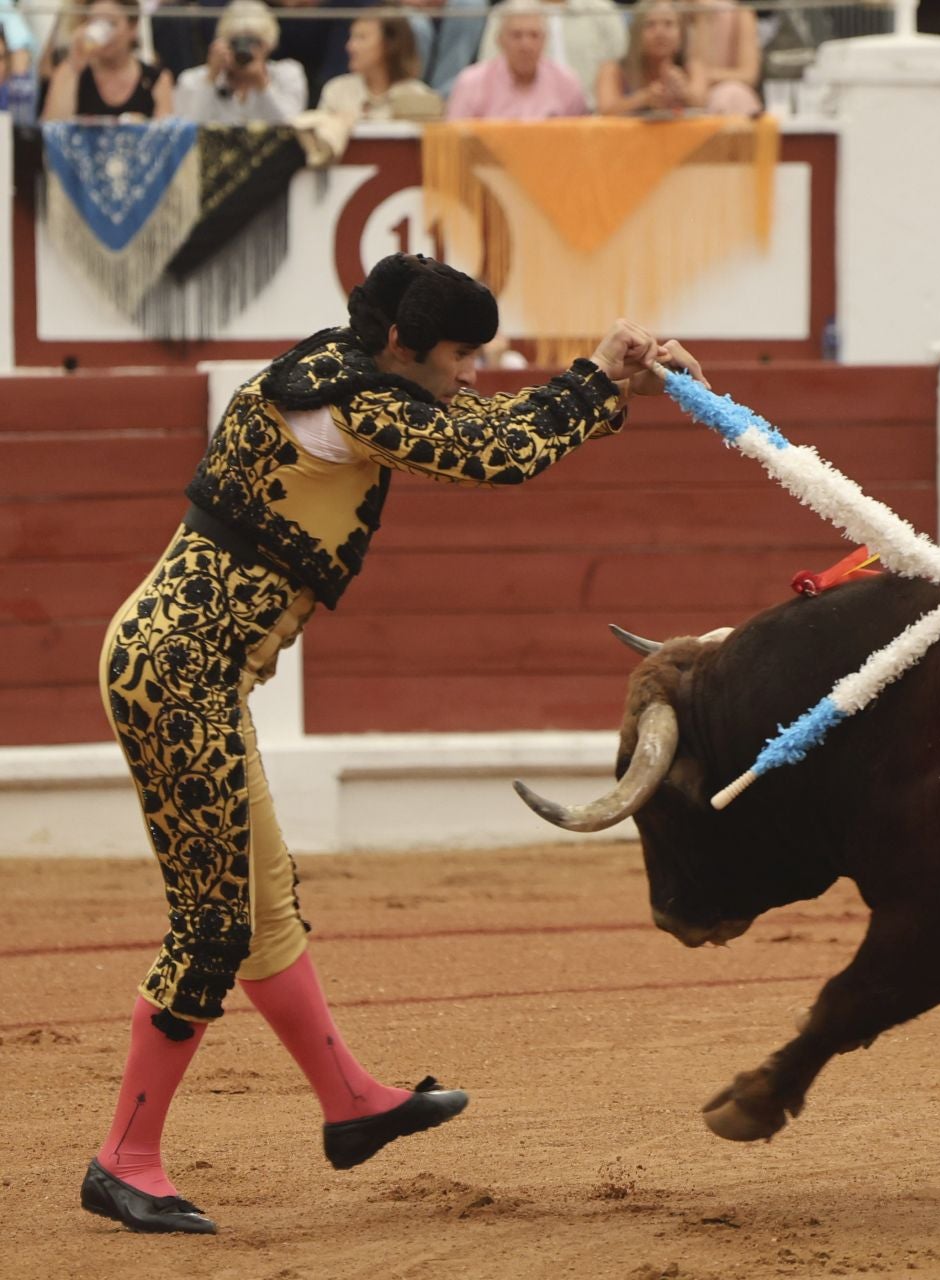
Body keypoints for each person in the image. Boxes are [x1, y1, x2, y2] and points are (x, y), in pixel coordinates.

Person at [81, 253, 704, 1235]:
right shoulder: (359, 405)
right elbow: (500, 455)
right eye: (459, 354)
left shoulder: (340, 371)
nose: (470, 373)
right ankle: (125, 1158)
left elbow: (482, 427)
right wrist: (594, 380)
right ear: (405, 343)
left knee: (262, 905)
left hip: (183, 668)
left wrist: (602, 376)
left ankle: (350, 1102)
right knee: (213, 924)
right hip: (177, 677)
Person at [446, 0, 587, 121]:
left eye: (534, 35)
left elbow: (580, 143)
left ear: (545, 40)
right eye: (516, 35)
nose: (525, 45)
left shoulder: (567, 83)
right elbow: (455, 143)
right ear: (500, 40)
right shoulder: (471, 84)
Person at [171, 0, 308, 125]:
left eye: (255, 42)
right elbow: (188, 132)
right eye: (236, 42)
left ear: (269, 45)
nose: (245, 50)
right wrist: (211, 78)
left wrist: (263, 84)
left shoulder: (288, 74)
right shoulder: (192, 79)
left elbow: (291, 131)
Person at [39, 0, 172, 122]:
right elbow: (52, 130)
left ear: (132, 27)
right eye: (94, 22)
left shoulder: (156, 78)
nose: (103, 31)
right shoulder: (71, 71)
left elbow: (166, 135)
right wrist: (73, 65)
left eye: (111, 23)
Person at [478, 0, 625, 100]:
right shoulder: (505, 13)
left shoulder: (603, 10)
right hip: (517, 120)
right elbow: (487, 74)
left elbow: (624, 70)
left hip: (591, 118)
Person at [317, 15, 441, 121]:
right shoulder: (336, 92)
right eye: (352, 37)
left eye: (361, 37)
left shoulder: (420, 98)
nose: (350, 46)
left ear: (389, 44)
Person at [596, 0, 704, 116]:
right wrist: (644, 99)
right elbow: (605, 111)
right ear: (636, 33)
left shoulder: (692, 67)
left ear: (681, 34)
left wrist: (684, 92)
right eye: (650, 25)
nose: (660, 33)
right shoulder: (613, 69)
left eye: (669, 24)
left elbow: (703, 102)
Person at [684, 0, 760, 114]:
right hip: (681, 93)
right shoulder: (673, 12)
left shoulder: (739, 14)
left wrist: (706, 76)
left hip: (723, 99)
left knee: (732, 93)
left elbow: (749, 75)